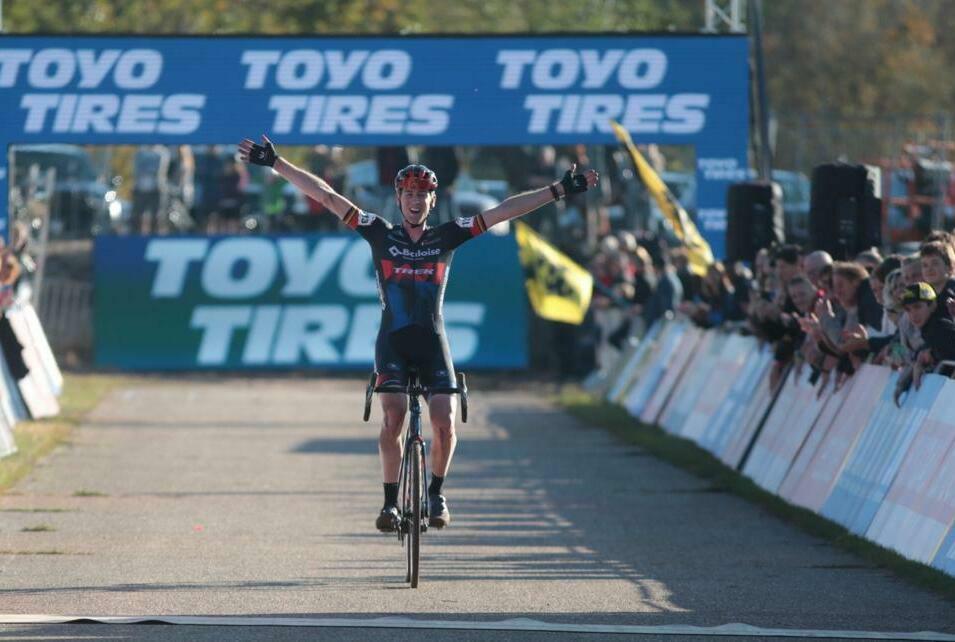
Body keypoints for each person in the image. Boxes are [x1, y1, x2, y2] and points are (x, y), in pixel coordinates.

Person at [239, 135, 598, 533]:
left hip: (432, 339)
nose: (415, 199)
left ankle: (437, 492)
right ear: (398, 198)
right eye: (408, 193)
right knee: (393, 417)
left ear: (432, 200)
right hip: (393, 339)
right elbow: (326, 196)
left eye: (422, 194)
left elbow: (504, 212)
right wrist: (277, 163)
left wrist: (559, 189)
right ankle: (390, 503)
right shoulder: (379, 232)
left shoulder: (446, 237)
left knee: (444, 422)